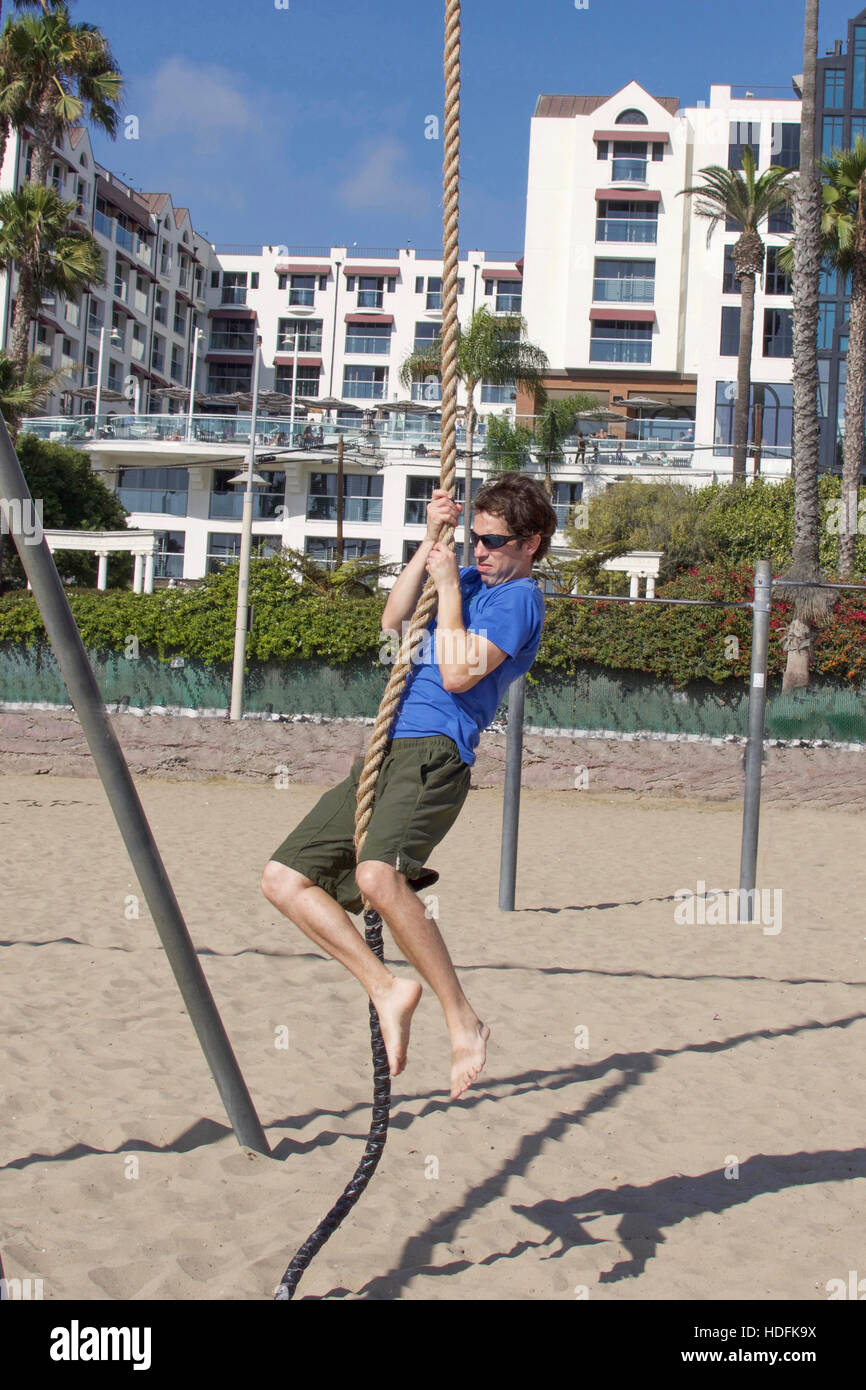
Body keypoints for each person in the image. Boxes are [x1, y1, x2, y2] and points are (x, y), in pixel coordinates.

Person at [261, 473, 558, 1100]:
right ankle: (385, 985)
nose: (479, 551)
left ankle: (462, 1018)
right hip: (386, 746)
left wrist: (450, 587)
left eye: (494, 541)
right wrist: (431, 544)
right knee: (283, 879)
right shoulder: (473, 577)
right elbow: (394, 620)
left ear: (530, 544)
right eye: (474, 537)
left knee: (377, 877)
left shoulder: (519, 599)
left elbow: (455, 673)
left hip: (437, 752)